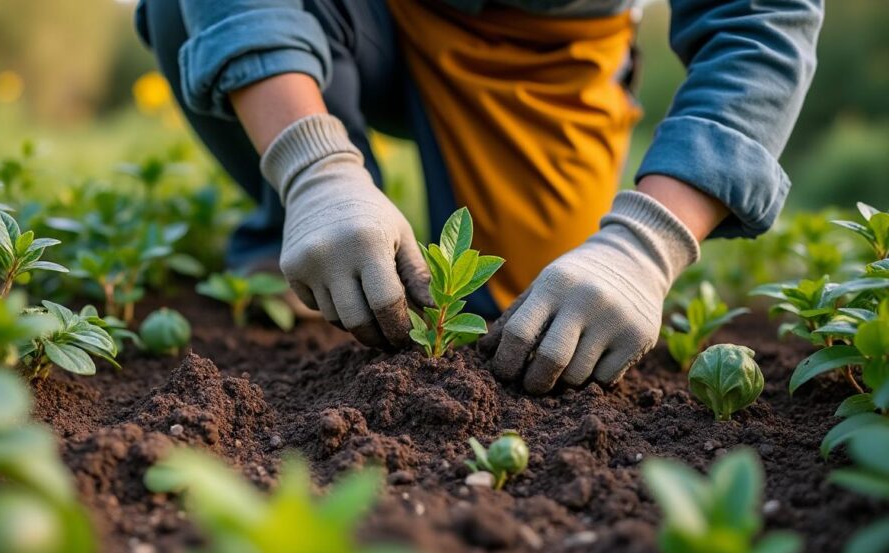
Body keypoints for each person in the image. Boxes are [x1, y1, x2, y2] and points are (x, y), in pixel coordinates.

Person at [135, 0, 822, 394]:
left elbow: (762, 17)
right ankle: (306, 238)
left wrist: (648, 241)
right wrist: (314, 167)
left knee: (539, 333)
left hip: (542, 46)